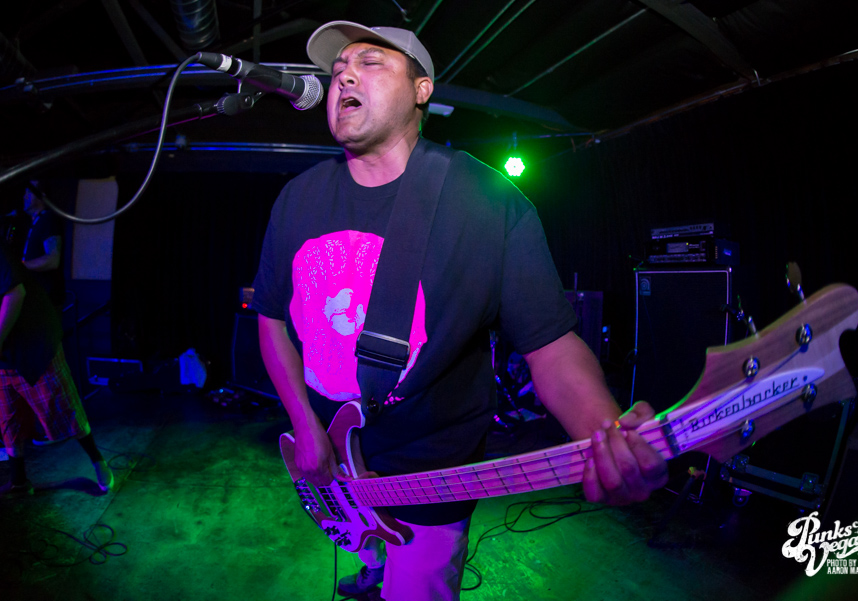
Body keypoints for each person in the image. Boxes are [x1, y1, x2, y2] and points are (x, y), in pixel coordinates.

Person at [252, 21, 668, 601]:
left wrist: (607, 435)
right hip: (332, 459)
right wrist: (304, 424)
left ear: (421, 89)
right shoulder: (297, 198)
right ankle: (370, 557)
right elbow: (271, 318)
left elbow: (550, 346)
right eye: (338, 67)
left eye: (370, 62)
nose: (343, 75)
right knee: (367, 551)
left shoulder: (486, 202)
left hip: (432, 471)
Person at [0, 244, 113, 498]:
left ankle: (98, 461)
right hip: (6, 354)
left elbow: (15, 293)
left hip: (34, 345)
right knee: (9, 419)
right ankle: (19, 481)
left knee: (64, 407)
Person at [22, 182, 65, 308]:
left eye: (29, 192)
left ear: (42, 196)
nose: (24, 196)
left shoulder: (48, 218)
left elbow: (53, 260)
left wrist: (21, 266)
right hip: (38, 298)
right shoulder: (37, 222)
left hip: (45, 299)